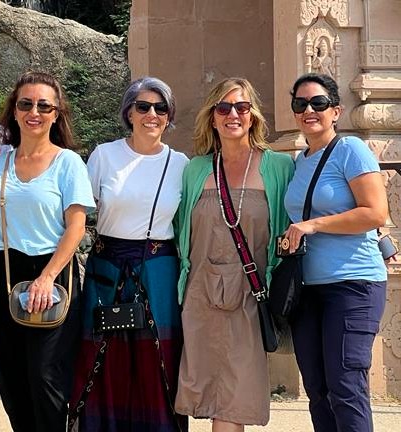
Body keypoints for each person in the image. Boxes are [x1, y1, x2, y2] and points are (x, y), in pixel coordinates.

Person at [0, 71, 95, 432]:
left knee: (47, 379)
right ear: (14, 110)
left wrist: (47, 277)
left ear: (57, 113)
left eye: (44, 105)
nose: (34, 112)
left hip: (52, 275)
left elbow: (76, 227)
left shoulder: (68, 163)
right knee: (12, 384)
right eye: (26, 104)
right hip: (0, 273)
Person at [69, 77, 189, 431]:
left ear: (169, 116)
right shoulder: (105, 156)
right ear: (129, 113)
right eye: (143, 106)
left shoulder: (181, 164)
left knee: (158, 363)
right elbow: (78, 213)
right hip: (108, 267)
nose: (152, 114)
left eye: (160, 107)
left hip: (159, 269)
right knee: (102, 361)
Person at [174, 77, 294, 430]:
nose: (233, 115)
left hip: (251, 298)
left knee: (235, 398)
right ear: (212, 117)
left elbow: (303, 214)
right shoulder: (195, 169)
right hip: (200, 296)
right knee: (209, 393)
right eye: (223, 108)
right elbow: (179, 228)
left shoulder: (279, 168)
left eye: (241, 107)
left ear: (253, 116)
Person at [282, 73, 388, 432]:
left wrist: (313, 225)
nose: (308, 110)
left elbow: (375, 212)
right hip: (308, 289)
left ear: (336, 111)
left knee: (346, 387)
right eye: (300, 104)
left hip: (353, 284)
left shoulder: (350, 149)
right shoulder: (298, 161)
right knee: (318, 389)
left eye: (318, 103)